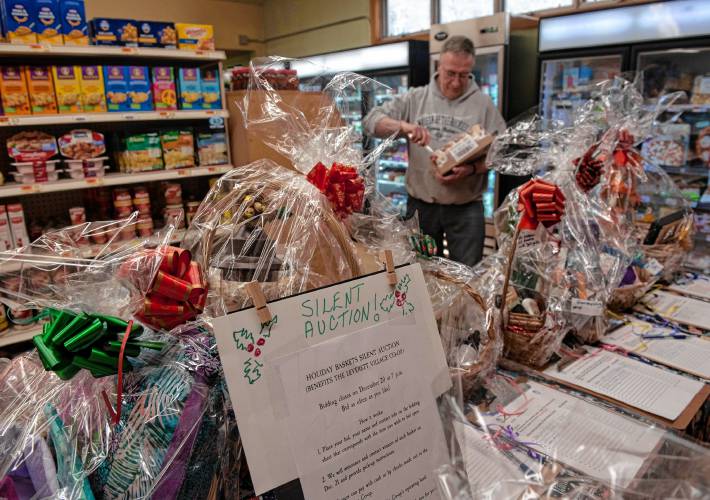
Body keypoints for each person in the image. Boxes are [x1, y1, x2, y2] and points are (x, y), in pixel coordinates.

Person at [363, 35, 506, 267]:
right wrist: (403, 127)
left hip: (466, 210)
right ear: (439, 66)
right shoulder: (415, 98)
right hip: (421, 207)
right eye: (451, 73)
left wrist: (471, 169)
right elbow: (371, 122)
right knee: (420, 273)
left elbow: (502, 154)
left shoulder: (484, 105)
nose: (457, 82)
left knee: (467, 276)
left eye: (464, 74)